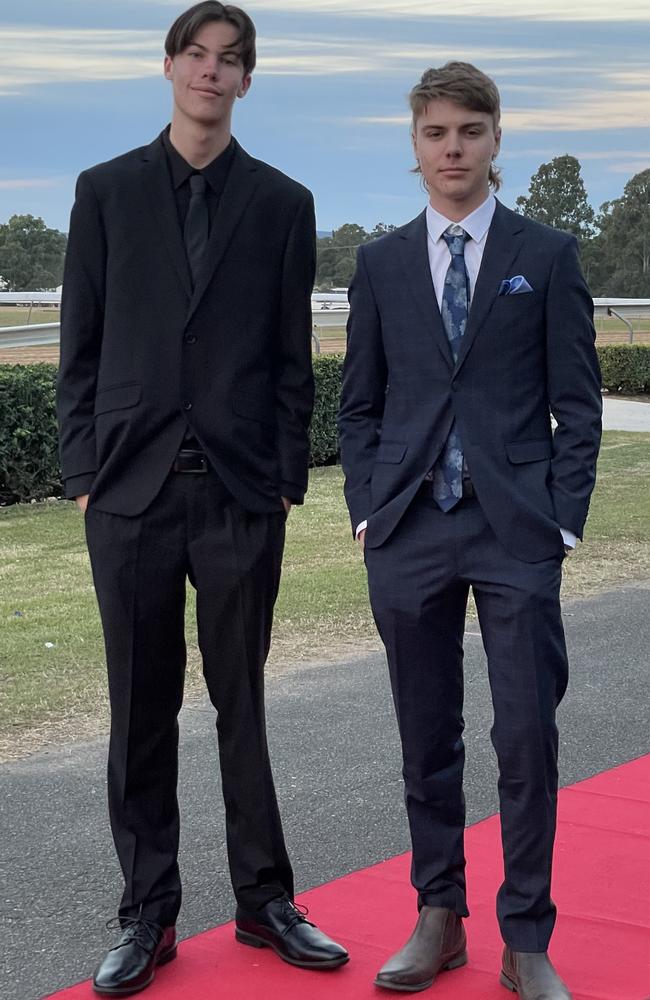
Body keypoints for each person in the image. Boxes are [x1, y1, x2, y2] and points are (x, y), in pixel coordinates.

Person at [57, 2, 348, 994]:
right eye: (197, 55)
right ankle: (148, 915)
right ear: (171, 66)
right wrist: (84, 474)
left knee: (242, 704)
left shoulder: (282, 202)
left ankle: (265, 901)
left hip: (237, 496)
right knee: (139, 709)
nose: (211, 73)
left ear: (246, 81)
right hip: (130, 496)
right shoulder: (103, 193)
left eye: (230, 61)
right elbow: (80, 351)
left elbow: (288, 358)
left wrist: (280, 478)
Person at [337, 62, 601, 998]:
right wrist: (368, 506)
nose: (453, 148)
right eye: (435, 133)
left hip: (515, 532)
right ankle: (438, 915)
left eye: (470, 131)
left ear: (497, 139)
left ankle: (525, 935)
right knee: (426, 736)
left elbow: (578, 402)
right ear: (415, 147)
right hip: (408, 530)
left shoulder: (549, 255)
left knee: (526, 735)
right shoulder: (381, 263)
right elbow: (359, 405)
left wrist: (560, 524)